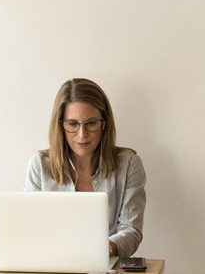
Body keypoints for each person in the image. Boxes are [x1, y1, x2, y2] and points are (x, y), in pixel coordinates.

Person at [24, 78, 146, 257]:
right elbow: (30, 228)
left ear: (104, 124)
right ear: (60, 125)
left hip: (107, 269)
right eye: (72, 124)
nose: (82, 135)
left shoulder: (129, 164)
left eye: (91, 123)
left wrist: (104, 248)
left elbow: (131, 231)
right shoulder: (40, 165)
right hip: (51, 265)